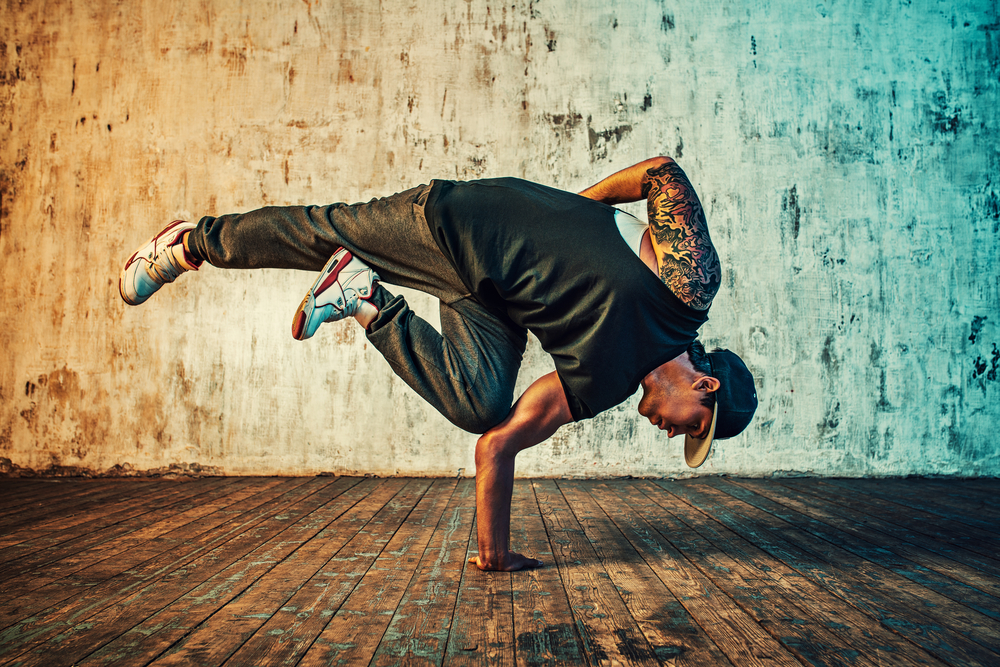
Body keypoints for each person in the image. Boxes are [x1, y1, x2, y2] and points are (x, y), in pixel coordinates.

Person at [119, 156, 758, 572]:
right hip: (461, 225)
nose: (675, 433)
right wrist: (571, 208)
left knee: (478, 403)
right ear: (704, 385)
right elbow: (662, 176)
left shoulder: (603, 385)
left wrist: (495, 556)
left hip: (487, 300)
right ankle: (187, 244)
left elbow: (497, 445)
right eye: (693, 426)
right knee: (323, 230)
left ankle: (364, 299)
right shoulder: (687, 290)